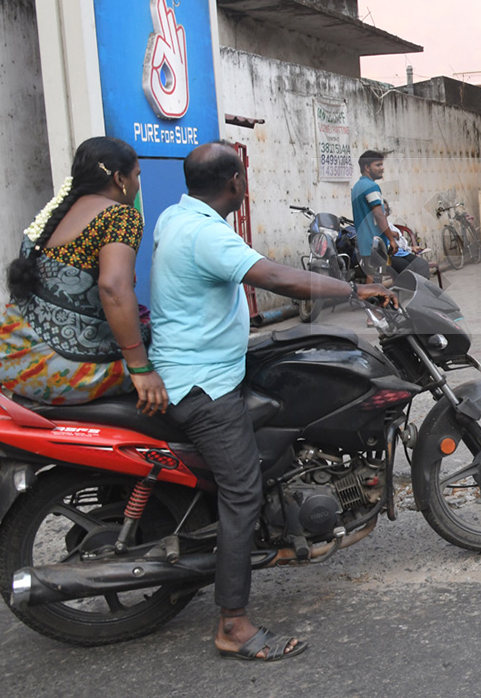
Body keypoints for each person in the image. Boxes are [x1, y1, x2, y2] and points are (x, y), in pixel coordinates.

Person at [149, 142, 395, 662]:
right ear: (236, 184)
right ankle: (233, 625)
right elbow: (276, 277)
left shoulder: (174, 216)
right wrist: (356, 291)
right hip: (203, 384)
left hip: (199, 364)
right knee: (242, 489)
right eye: (243, 179)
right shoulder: (207, 233)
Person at [0, 137, 168, 413]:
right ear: (119, 178)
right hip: (59, 368)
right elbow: (113, 289)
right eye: (136, 175)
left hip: (11, 361)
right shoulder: (120, 216)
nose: (137, 184)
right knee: (175, 365)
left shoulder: (49, 220)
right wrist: (141, 368)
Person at [351, 150, 429, 280]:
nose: (382, 168)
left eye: (382, 165)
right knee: (376, 282)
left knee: (372, 279)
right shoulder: (371, 187)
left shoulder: (357, 187)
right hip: (375, 244)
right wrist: (391, 240)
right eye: (378, 165)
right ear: (367, 167)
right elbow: (379, 216)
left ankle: (370, 299)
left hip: (365, 243)